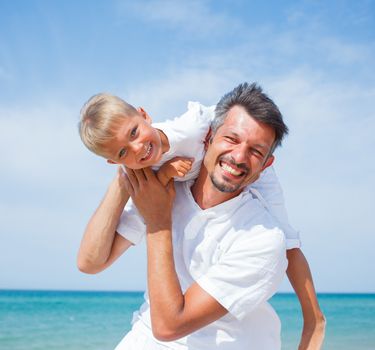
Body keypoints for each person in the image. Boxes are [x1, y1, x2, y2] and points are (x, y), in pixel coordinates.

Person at [78, 84, 325, 349]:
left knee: (287, 235)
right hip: (145, 337)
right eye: (231, 139)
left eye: (255, 151)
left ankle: (316, 319)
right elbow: (90, 263)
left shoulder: (262, 238)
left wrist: (158, 223)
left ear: (266, 164)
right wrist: (125, 175)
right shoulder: (166, 186)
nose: (239, 156)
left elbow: (169, 326)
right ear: (209, 138)